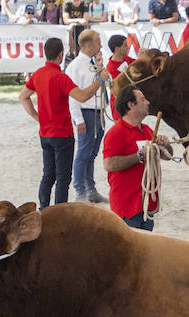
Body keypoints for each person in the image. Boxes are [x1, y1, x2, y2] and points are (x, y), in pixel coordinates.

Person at [19, 36, 112, 209]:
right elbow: (83, 96)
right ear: (61, 55)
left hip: (45, 133)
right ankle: (58, 213)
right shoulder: (60, 77)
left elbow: (23, 97)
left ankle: (43, 208)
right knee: (63, 178)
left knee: (48, 175)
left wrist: (37, 117)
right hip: (62, 134)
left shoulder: (38, 74)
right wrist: (100, 80)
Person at [103, 87, 161, 230]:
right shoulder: (116, 133)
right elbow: (109, 164)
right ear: (131, 104)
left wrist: (165, 145)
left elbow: (165, 155)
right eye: (142, 100)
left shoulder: (146, 130)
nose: (147, 102)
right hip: (127, 208)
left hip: (146, 205)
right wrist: (139, 155)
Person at [67, 29, 109, 204]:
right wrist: (78, 119)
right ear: (89, 45)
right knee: (83, 153)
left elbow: (106, 83)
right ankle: (80, 191)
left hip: (98, 111)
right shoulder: (75, 66)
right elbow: (72, 95)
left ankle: (90, 189)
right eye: (98, 42)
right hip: (86, 112)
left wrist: (100, 67)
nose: (101, 45)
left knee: (92, 153)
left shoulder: (94, 62)